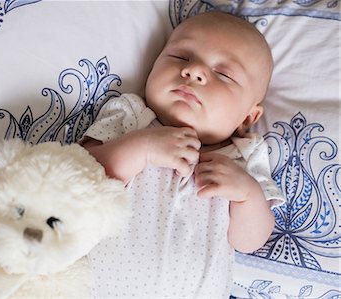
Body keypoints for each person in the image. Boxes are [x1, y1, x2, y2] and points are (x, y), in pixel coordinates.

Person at [81, 11, 285, 298]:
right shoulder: (132, 117)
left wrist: (248, 195)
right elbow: (81, 176)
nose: (194, 71)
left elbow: (249, 241)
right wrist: (143, 147)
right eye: (181, 57)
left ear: (247, 117)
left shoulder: (243, 158)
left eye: (223, 74)